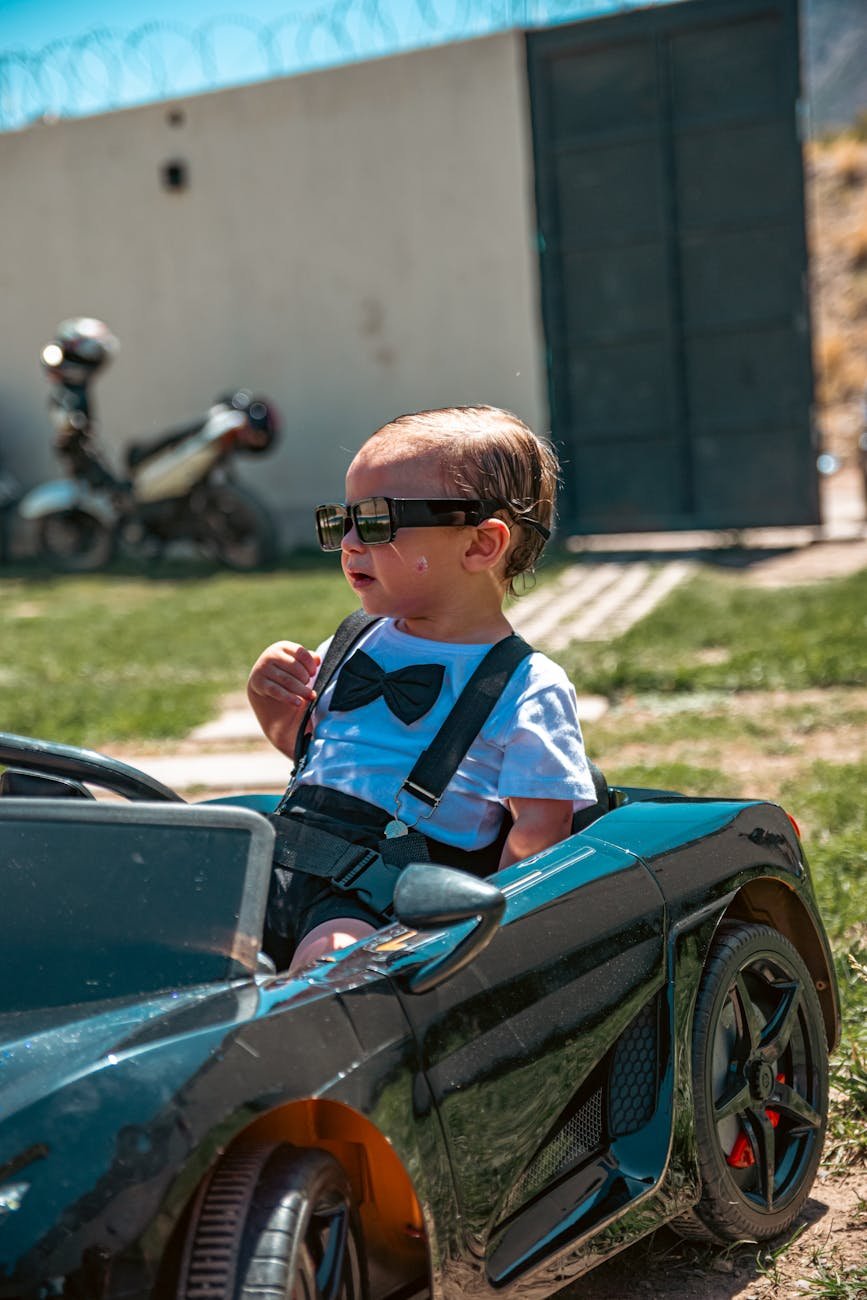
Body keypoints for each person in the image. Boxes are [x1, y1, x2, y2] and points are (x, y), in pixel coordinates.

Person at [248, 405, 597, 972]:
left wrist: (491, 933)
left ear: (480, 545)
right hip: (282, 860)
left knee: (330, 965)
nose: (349, 542)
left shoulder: (525, 685)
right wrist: (269, 701)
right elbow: (317, 756)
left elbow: (541, 825)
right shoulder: (356, 639)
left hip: (382, 897)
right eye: (342, 520)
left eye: (377, 521)